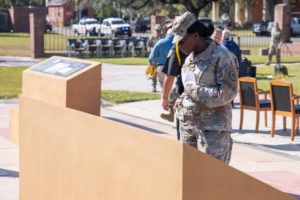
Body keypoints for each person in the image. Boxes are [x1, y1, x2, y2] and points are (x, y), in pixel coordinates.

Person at [172, 11, 239, 164]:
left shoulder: (222, 57)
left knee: (212, 179)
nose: (179, 45)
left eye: (182, 40)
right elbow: (189, 87)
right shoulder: (189, 59)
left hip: (212, 130)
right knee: (188, 176)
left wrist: (195, 92)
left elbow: (228, 92)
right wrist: (181, 100)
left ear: (195, 35)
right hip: (188, 125)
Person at [161, 41, 188, 141]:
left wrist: (165, 98)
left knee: (185, 139)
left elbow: (170, 76)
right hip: (210, 101)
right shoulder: (212, 46)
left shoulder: (179, 47)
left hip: (186, 96)